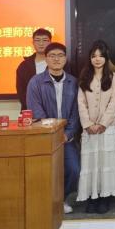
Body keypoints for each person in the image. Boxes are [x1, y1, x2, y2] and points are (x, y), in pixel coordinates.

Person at [26, 42, 80, 214]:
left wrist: (68, 134)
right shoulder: (36, 82)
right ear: (46, 59)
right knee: (44, 171)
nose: (56, 59)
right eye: (52, 56)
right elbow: (36, 111)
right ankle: (46, 201)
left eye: (60, 55)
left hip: (66, 138)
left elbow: (76, 112)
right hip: (44, 137)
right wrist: (51, 133)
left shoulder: (73, 82)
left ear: (65, 58)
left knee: (74, 170)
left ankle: (61, 199)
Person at [77, 40, 115, 214]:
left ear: (106, 57)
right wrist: (88, 124)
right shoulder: (85, 77)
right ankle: (92, 197)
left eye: (100, 56)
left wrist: (103, 123)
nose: (97, 59)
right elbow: (81, 103)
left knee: (106, 163)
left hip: (108, 128)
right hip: (89, 129)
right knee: (91, 164)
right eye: (93, 56)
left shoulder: (114, 77)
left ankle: (105, 198)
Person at [16, 28, 52, 110]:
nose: (41, 43)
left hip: (53, 112)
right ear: (33, 43)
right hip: (30, 112)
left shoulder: (58, 63)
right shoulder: (24, 66)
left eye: (45, 40)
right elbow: (21, 92)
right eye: (37, 40)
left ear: (50, 42)